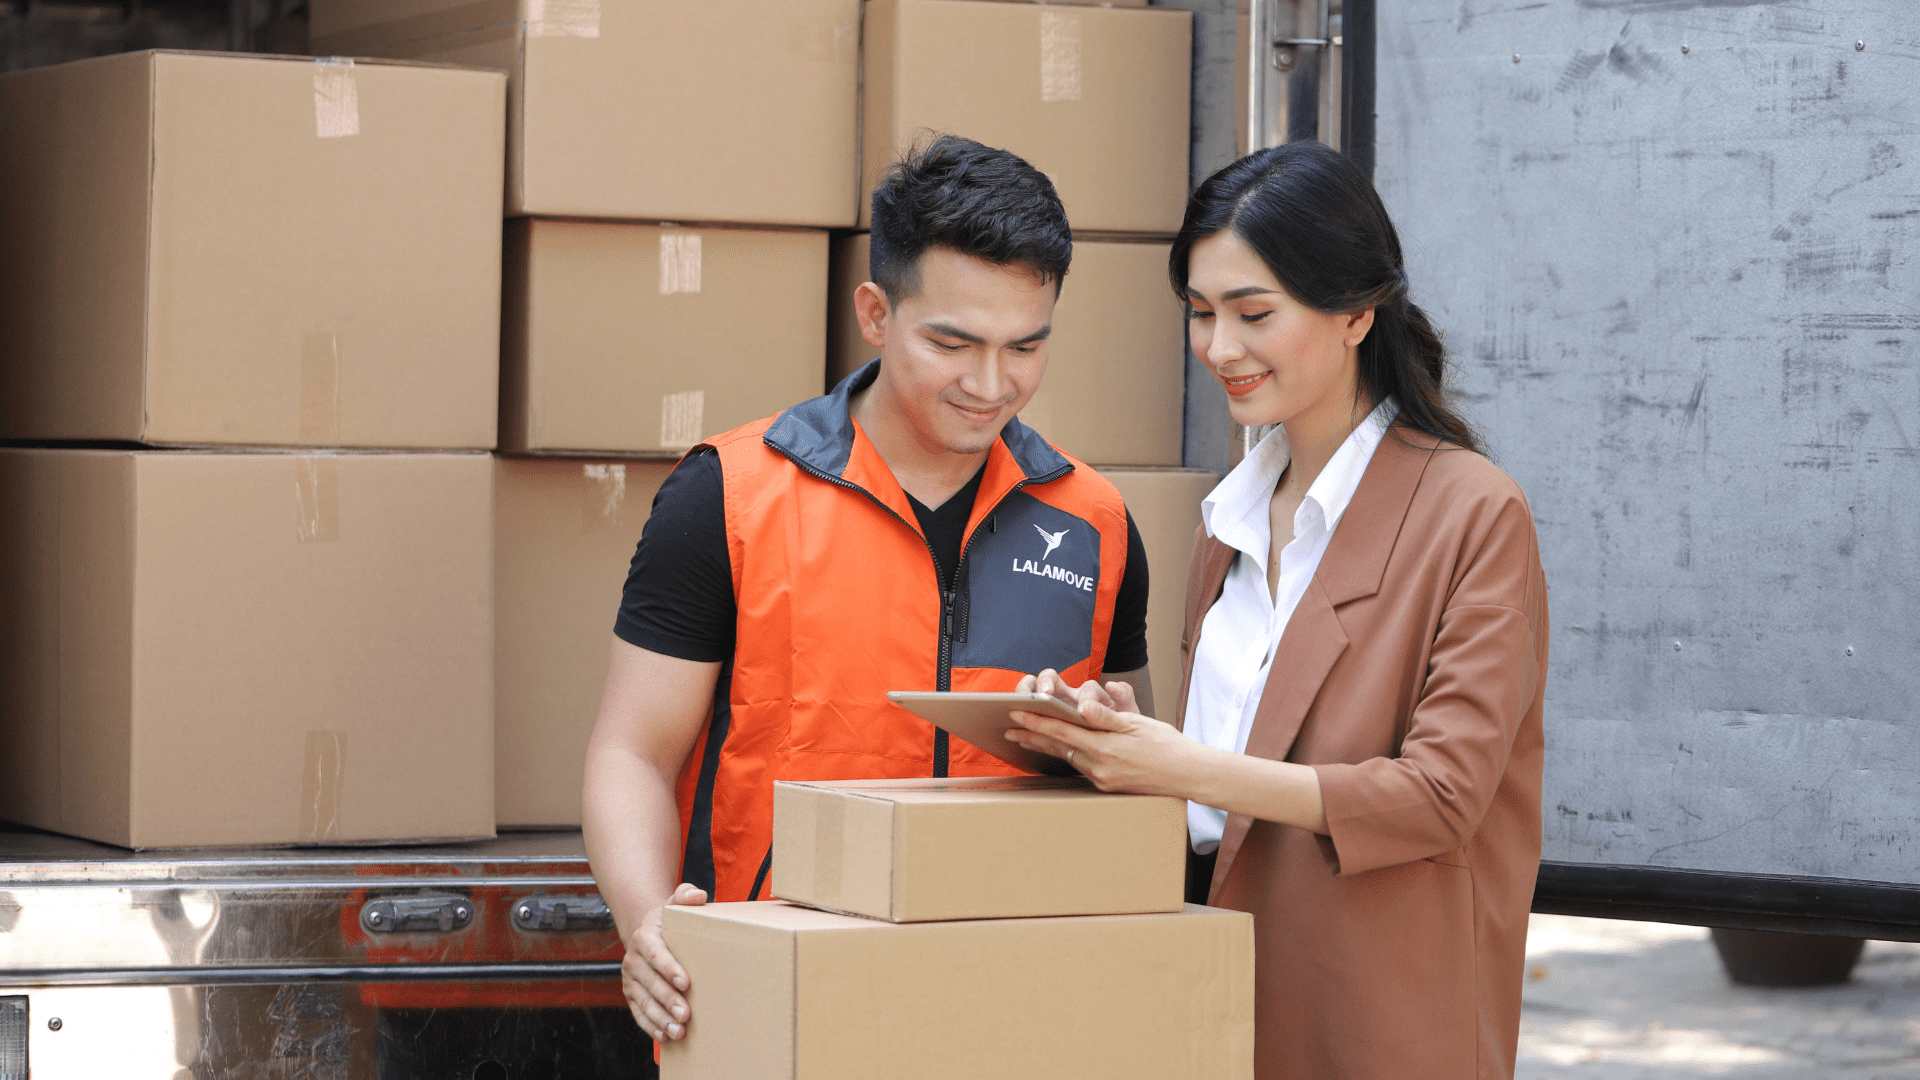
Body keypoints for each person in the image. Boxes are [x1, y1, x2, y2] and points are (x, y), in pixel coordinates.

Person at [583, 133, 1156, 1045]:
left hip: (1016, 999)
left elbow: (1137, 769)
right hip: (773, 989)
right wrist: (649, 923)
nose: (990, 383)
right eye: (952, 342)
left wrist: (1119, 744)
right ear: (875, 313)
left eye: (1026, 346)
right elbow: (632, 754)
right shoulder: (729, 494)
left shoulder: (1093, 520)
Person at [1008, 139, 1548, 1079]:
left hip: (1378, 1007)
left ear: (1355, 312)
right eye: (1202, 313)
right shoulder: (1233, 515)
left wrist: (1192, 765)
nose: (1222, 348)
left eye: (1255, 313)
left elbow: (1442, 798)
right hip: (1216, 986)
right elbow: (1233, 764)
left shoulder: (1473, 510)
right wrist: (1133, 747)